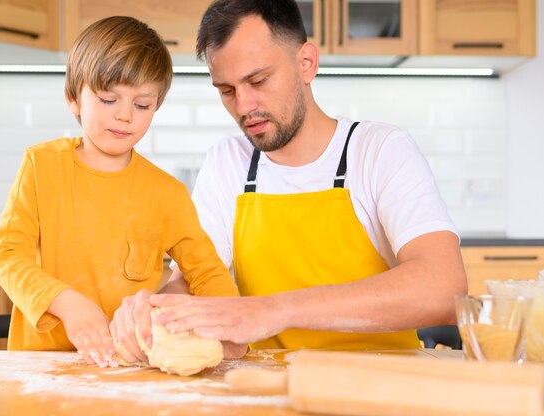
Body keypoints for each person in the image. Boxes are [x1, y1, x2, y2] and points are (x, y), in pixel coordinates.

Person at [147, 0, 468, 350]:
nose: (243, 106)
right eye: (226, 90)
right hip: (266, 390)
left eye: (257, 80)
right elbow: (192, 281)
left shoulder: (380, 150)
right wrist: (158, 309)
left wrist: (276, 310)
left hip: (380, 388)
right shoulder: (227, 162)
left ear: (306, 63)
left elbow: (444, 287)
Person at [0, 15, 246, 367]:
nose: (125, 115)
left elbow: (206, 271)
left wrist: (234, 328)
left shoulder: (165, 193)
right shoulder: (42, 166)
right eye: (109, 99)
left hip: (128, 367)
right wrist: (67, 302)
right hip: (42, 364)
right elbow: (7, 255)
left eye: (142, 104)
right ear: (73, 99)